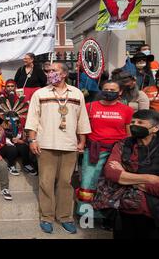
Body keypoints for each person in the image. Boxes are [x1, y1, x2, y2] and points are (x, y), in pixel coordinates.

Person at [25, 62, 91, 234]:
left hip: (69, 145)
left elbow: (82, 119)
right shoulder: (40, 93)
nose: (49, 73)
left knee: (66, 183)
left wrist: (82, 140)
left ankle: (65, 217)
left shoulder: (76, 93)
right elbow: (32, 118)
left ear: (63, 74)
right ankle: (46, 217)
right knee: (46, 182)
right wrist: (32, 140)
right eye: (48, 71)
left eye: (53, 71)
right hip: (46, 144)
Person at [97, 110, 159, 239]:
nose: (134, 125)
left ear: (156, 128)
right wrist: (150, 178)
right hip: (124, 210)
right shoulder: (123, 144)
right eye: (132, 122)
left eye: (140, 122)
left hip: (154, 213)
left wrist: (126, 176)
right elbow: (111, 173)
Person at [76, 80, 133, 227]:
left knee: (111, 185)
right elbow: (81, 128)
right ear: (101, 90)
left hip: (117, 151)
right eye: (106, 89)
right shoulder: (89, 107)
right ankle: (86, 218)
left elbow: (128, 133)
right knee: (88, 182)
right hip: (94, 150)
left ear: (120, 92)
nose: (109, 91)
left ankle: (108, 217)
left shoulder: (126, 110)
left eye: (113, 89)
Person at [0, 79, 37, 176]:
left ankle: (26, 164)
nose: (10, 88)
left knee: (23, 147)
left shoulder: (19, 99)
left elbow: (22, 131)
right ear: (5, 87)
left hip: (16, 132)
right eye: (8, 86)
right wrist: (3, 119)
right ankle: (11, 165)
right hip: (4, 135)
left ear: (15, 87)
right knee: (12, 148)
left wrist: (20, 140)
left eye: (12, 86)